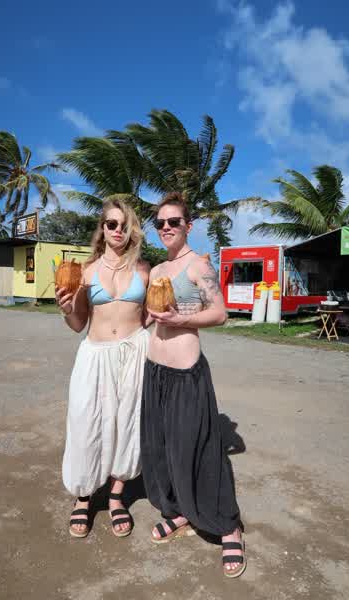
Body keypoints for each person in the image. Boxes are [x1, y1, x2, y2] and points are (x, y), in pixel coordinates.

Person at [141, 192, 246, 578]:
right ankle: (178, 510)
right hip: (154, 371)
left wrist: (181, 320)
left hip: (186, 372)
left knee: (201, 450)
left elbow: (220, 314)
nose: (166, 227)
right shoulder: (157, 269)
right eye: (160, 223)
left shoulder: (199, 265)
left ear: (189, 225)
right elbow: (150, 317)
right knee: (161, 448)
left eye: (174, 221)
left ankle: (229, 526)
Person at [56, 199, 150, 539]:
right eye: (112, 224)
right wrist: (66, 309)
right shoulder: (86, 271)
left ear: (132, 230)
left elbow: (152, 315)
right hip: (94, 354)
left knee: (127, 425)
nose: (118, 230)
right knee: (85, 422)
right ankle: (84, 497)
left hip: (135, 352)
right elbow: (78, 323)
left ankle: (115, 497)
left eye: (124, 225)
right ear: (102, 228)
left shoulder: (144, 270)